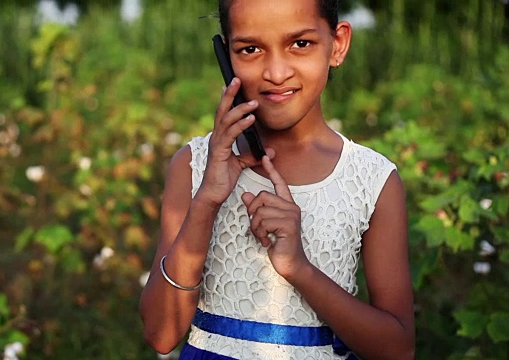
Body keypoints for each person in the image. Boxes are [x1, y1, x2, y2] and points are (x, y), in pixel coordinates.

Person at [139, 0, 415, 359]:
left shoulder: (372, 181)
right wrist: (206, 201)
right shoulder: (193, 165)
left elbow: (398, 351)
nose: (276, 71)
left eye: (300, 44)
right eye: (250, 49)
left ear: (338, 44)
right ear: (226, 55)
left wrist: (298, 268)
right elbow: (161, 335)